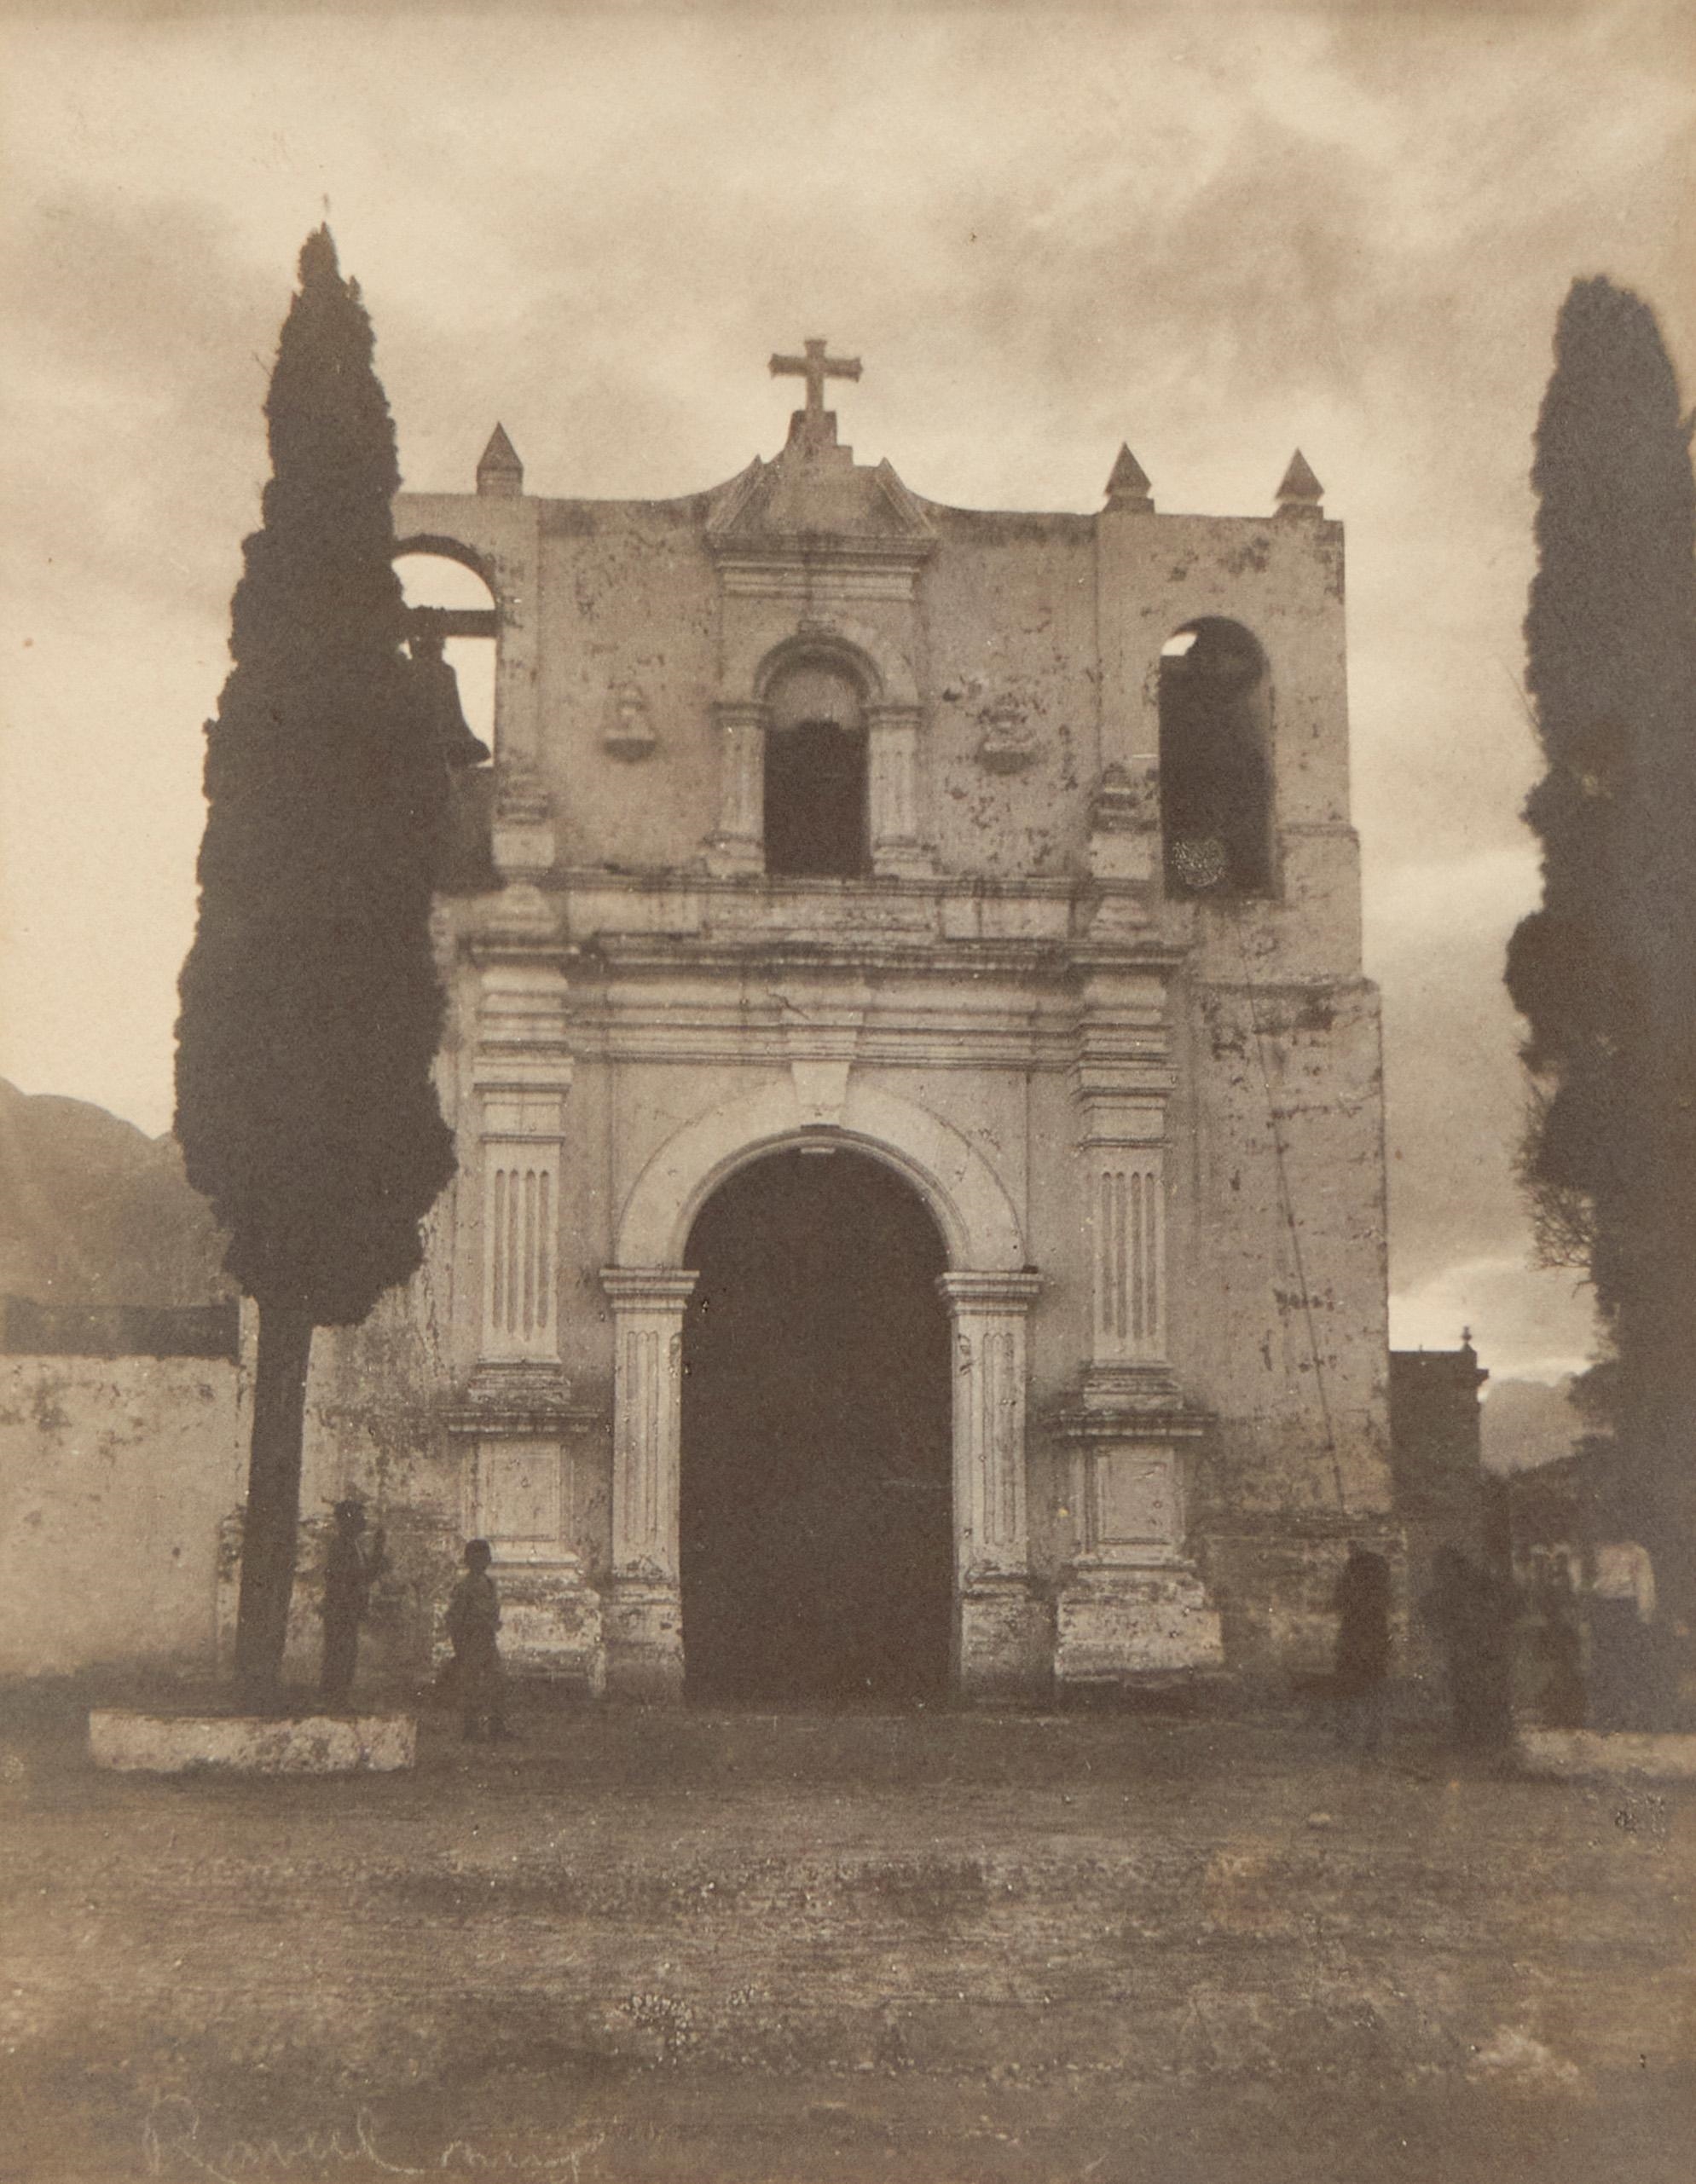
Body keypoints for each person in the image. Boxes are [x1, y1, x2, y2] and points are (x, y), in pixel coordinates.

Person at [1421, 1546, 1515, 1750]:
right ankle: (1473, 1737)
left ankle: (1478, 1738)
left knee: (1475, 1693)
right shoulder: (1461, 1587)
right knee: (1467, 1693)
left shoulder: (1470, 1588)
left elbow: (1480, 1618)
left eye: (1442, 1569)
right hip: (1469, 1651)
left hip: (1476, 1651)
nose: (1440, 1575)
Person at [319, 1499, 386, 1708]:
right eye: (358, 1517)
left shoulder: (353, 1546)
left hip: (348, 1610)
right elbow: (356, 1577)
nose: (363, 1521)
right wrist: (377, 1553)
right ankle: (333, 1701)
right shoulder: (341, 1546)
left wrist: (378, 1551)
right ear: (346, 1521)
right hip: (341, 1610)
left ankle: (338, 1700)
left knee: (345, 1656)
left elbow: (365, 1576)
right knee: (339, 1656)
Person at [1331, 1545, 1392, 1757]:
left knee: (1355, 1690)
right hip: (1370, 1643)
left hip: (1359, 1642)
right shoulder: (1377, 1600)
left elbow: (1338, 1602)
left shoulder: (1359, 1599)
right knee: (1370, 1690)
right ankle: (1367, 1739)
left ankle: (1351, 1738)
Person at [445, 1539, 507, 1742]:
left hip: (487, 1640)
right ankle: (470, 1730)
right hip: (471, 1641)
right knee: (471, 1686)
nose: (482, 1561)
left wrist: (493, 1624)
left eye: (485, 1556)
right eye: (476, 1557)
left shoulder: (489, 1584)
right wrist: (460, 1647)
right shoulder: (464, 1587)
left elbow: (491, 1611)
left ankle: (497, 1727)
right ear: (468, 1560)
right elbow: (454, 1617)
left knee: (497, 1681)